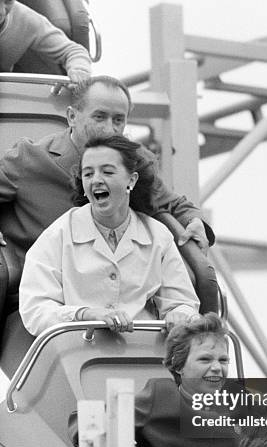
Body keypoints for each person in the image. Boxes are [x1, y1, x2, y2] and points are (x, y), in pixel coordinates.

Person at [0, 74, 213, 266]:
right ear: (72, 117)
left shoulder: (136, 161)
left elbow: (172, 203)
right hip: (42, 286)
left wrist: (194, 221)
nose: (110, 129)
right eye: (99, 117)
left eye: (118, 120)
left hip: (115, 282)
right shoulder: (30, 158)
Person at [19, 134, 200, 336]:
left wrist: (179, 314)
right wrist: (84, 315)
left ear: (131, 180)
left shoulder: (158, 235)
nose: (96, 180)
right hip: (76, 352)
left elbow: (183, 303)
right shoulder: (58, 234)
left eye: (107, 172)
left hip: (142, 350)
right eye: (88, 174)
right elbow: (35, 310)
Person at [135, 312, 236, 447]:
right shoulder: (160, 395)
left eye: (223, 360)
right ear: (179, 365)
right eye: (205, 360)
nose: (217, 368)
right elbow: (89, 422)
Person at [0, 0, 91, 82]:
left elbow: (73, 51)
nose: (1, 12)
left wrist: (79, 70)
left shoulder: (25, 18)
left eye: (8, 1)